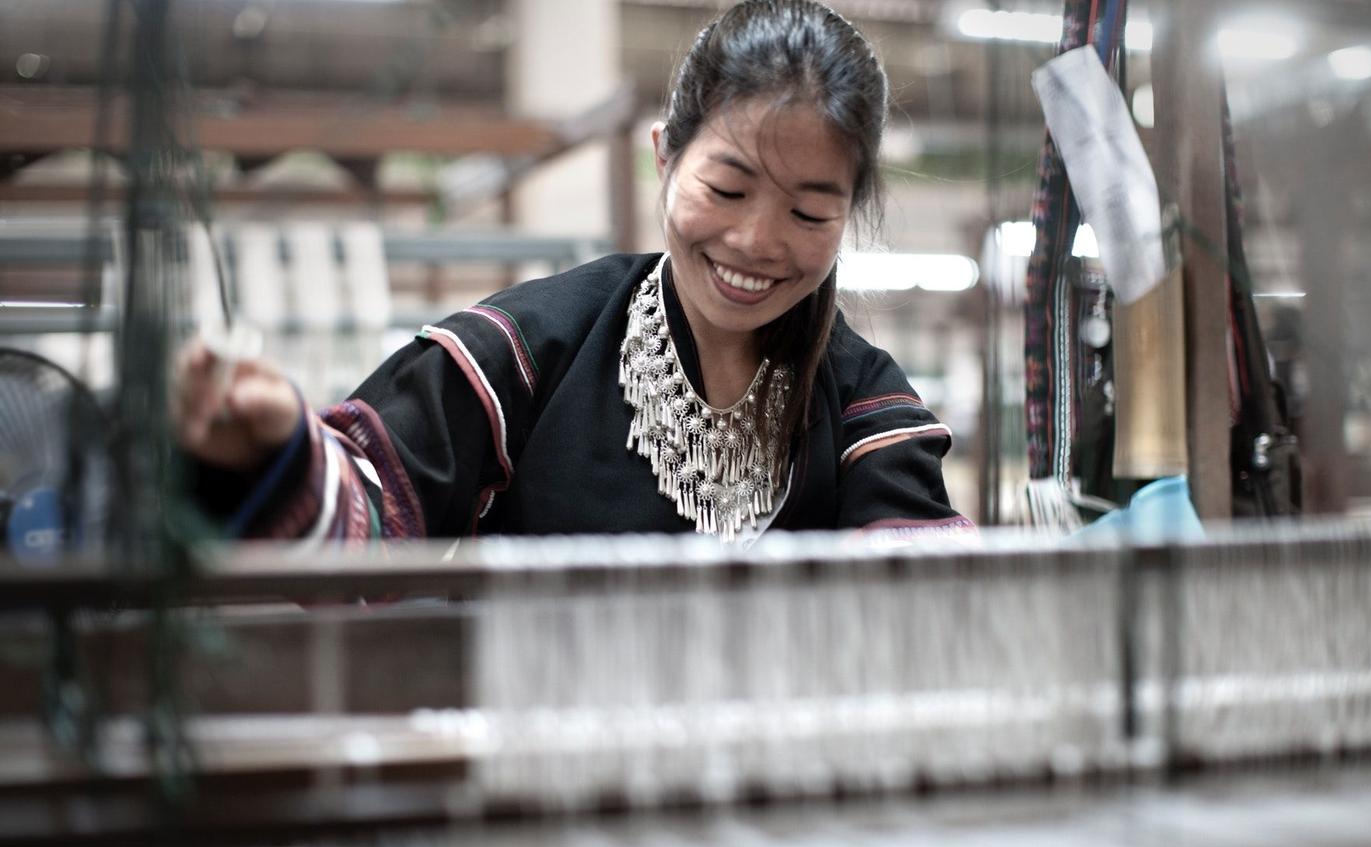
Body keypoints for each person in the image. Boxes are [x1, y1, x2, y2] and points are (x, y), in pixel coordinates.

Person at [176, 0, 971, 544]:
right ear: (664, 157)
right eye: (726, 189)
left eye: (808, 214)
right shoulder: (529, 350)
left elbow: (920, 595)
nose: (757, 240)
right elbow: (374, 506)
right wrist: (278, 441)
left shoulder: (864, 396)